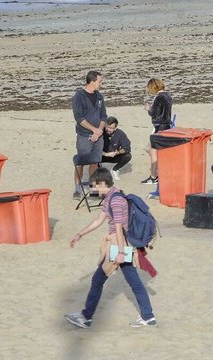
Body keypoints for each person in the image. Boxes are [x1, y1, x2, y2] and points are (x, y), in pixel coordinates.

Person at [65, 168, 157, 328]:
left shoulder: (116, 201)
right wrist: (80, 234)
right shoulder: (111, 196)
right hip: (120, 245)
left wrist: (121, 252)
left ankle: (86, 317)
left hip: (119, 245)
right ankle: (148, 316)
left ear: (102, 183)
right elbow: (98, 220)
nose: (93, 190)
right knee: (134, 282)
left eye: (94, 186)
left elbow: (120, 228)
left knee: (98, 279)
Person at [72, 70, 107, 200]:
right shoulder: (79, 96)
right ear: (92, 81)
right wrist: (94, 130)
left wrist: (99, 131)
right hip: (84, 135)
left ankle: (93, 189)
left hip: (98, 136)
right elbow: (79, 118)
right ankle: (77, 188)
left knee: (95, 162)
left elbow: (104, 116)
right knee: (80, 163)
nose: (101, 84)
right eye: (100, 81)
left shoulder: (99, 97)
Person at [141, 78, 173, 184]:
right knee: (162, 152)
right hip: (167, 125)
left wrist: (148, 108)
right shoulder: (168, 95)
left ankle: (153, 177)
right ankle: (161, 174)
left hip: (159, 126)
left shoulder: (159, 97)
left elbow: (153, 113)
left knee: (153, 152)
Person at [101, 116, 132, 181]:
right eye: (107, 127)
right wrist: (106, 154)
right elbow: (93, 149)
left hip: (114, 155)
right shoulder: (100, 132)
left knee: (128, 156)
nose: (108, 129)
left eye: (111, 128)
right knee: (92, 155)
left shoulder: (120, 134)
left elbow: (127, 148)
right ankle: (98, 170)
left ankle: (114, 170)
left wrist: (117, 152)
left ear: (115, 128)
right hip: (101, 155)